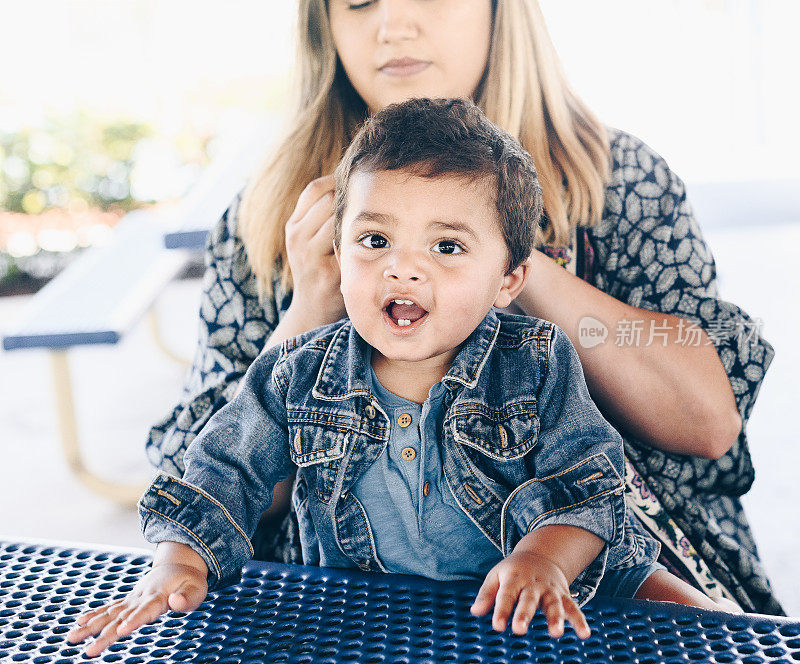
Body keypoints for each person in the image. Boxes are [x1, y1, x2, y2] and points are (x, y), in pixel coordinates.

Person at [145, 0, 781, 614]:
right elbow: (209, 477)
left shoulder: (618, 177)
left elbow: (707, 424)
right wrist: (314, 302)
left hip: (606, 570)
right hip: (339, 594)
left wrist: (497, 246)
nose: (393, 25)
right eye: (359, 2)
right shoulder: (266, 209)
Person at [69, 99, 739, 657]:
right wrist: (180, 561)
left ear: (508, 279)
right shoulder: (297, 369)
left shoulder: (536, 359)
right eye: (376, 240)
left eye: (446, 247)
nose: (403, 269)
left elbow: (588, 488)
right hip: (374, 607)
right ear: (339, 248)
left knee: (716, 632)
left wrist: (545, 561)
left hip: (556, 583)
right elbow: (220, 472)